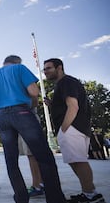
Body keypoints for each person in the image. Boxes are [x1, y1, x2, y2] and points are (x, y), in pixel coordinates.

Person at [0, 55, 66, 203]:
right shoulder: (19, 68)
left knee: (11, 160)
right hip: (22, 112)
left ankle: (21, 198)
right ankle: (55, 198)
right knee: (44, 156)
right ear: (17, 62)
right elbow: (34, 91)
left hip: (3, 116)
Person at [43, 58, 105, 203]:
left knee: (79, 161)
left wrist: (65, 128)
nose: (45, 72)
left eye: (48, 68)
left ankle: (92, 195)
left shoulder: (66, 82)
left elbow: (73, 106)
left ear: (59, 68)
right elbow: (67, 105)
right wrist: (53, 104)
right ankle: (89, 192)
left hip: (72, 127)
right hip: (75, 127)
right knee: (75, 161)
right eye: (44, 69)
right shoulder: (65, 83)